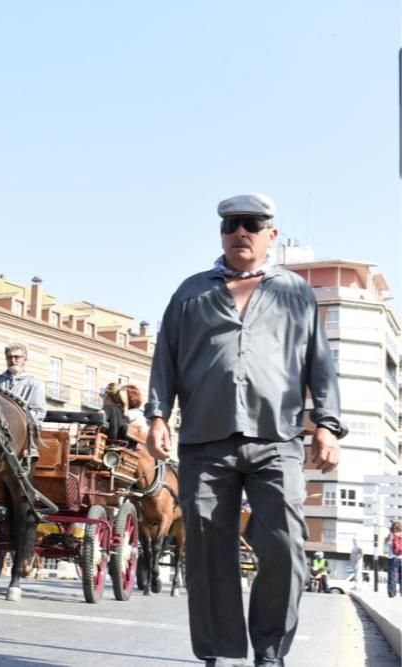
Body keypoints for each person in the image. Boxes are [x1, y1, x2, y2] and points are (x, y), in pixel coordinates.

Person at [145, 193, 346, 667]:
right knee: (208, 552)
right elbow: (165, 358)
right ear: (221, 232)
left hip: (277, 439)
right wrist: (157, 415)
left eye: (252, 224)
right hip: (205, 440)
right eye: (232, 224)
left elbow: (320, 361)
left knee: (284, 543)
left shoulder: (294, 292)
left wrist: (328, 426)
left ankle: (270, 652)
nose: (240, 232)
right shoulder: (191, 291)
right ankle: (221, 654)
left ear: (270, 235)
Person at [0, 343, 46, 424]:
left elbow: (38, 412)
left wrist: (15, 418)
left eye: (17, 357)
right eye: (9, 357)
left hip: (21, 427)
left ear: (25, 359)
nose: (12, 360)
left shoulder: (34, 384)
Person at [385, 521, 402, 598]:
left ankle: (392, 593)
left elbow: (385, 543)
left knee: (392, 576)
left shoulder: (391, 535)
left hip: (393, 558)